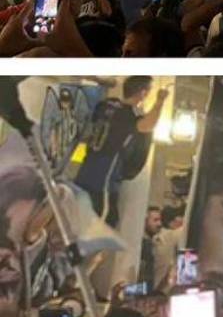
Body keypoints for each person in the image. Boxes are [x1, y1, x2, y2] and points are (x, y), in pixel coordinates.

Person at [71, 77, 166, 226]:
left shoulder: (105, 106)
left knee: (74, 221)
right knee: (103, 228)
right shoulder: (130, 115)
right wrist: (160, 101)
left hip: (83, 175)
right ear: (143, 93)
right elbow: (147, 125)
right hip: (103, 184)